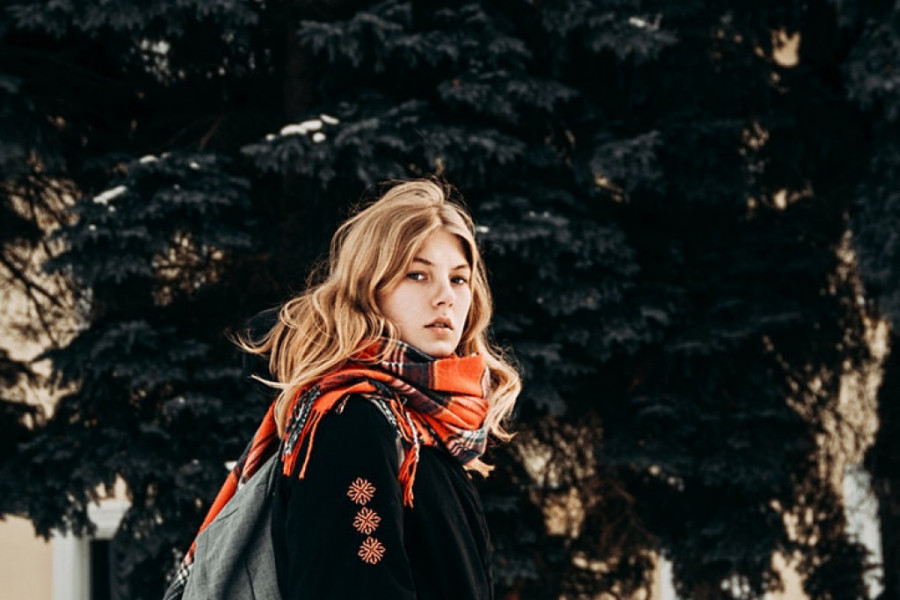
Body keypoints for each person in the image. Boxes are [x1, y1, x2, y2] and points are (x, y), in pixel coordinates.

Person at [167, 179, 521, 600]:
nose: (445, 296)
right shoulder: (351, 419)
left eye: (459, 279)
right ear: (369, 289)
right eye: (417, 274)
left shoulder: (423, 426)